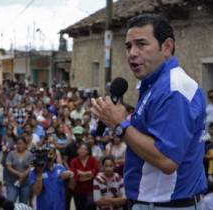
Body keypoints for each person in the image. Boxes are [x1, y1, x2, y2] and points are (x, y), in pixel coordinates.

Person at [91, 14, 206, 209]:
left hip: (167, 205)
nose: (132, 53)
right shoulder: (156, 85)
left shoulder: (173, 89)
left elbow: (167, 160)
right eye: (128, 46)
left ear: (166, 47)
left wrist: (120, 126)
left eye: (141, 44)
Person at [29, 145, 74, 210]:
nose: (48, 156)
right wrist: (39, 173)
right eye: (45, 154)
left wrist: (71, 175)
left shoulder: (61, 168)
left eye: (50, 154)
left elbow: (72, 187)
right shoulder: (34, 171)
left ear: (55, 156)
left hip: (59, 207)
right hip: (43, 207)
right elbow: (37, 192)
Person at [70, 143, 99, 210]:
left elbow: (96, 172)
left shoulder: (92, 159)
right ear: (77, 151)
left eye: (85, 149)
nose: (82, 150)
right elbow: (76, 176)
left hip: (91, 190)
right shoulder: (74, 161)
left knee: (91, 208)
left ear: (88, 151)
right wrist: (89, 175)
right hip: (78, 191)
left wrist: (82, 173)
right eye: (81, 149)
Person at [5, 137, 32, 204]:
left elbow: (31, 167)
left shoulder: (29, 154)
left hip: (25, 183)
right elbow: (8, 167)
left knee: (23, 204)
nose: (19, 145)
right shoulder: (11, 154)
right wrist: (19, 174)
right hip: (12, 183)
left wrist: (24, 174)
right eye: (18, 143)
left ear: (25, 145)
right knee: (10, 202)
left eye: (21, 143)